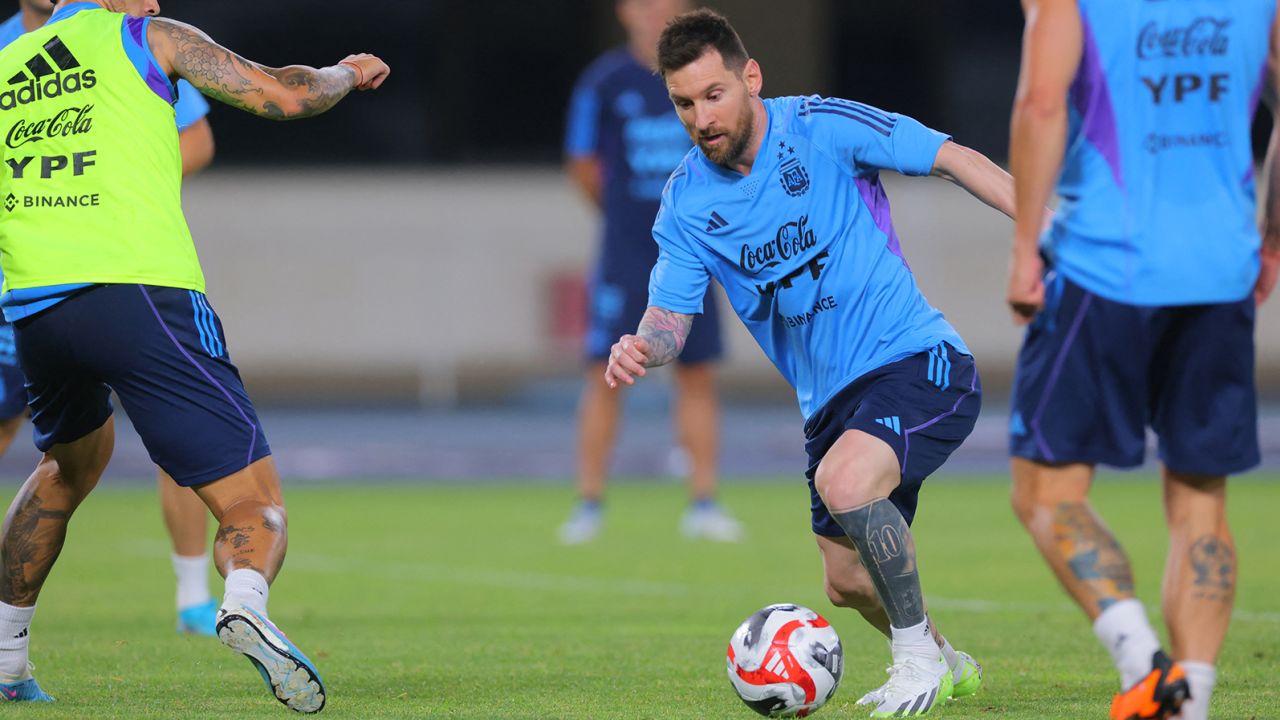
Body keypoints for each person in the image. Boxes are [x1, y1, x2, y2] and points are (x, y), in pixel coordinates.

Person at [605, 9, 1019, 716]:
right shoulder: (686, 202)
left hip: (918, 359)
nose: (700, 116)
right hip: (828, 405)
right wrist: (645, 345)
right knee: (847, 583)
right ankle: (947, 662)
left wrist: (1043, 231)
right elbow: (671, 316)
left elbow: (950, 155)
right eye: (683, 103)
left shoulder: (818, 127)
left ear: (750, 79)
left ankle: (914, 656)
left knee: (846, 480)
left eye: (713, 94)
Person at [0, 0, 389, 711]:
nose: (153, 2)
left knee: (64, 467)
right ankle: (243, 602)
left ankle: (5, 655)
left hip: (33, 307)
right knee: (251, 499)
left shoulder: (8, 65)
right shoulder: (145, 37)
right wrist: (346, 72)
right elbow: (283, 93)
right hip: (138, 292)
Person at [1007, 2, 1276, 719]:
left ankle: (1142, 661)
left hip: (1107, 268)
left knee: (1045, 493)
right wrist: (1271, 237)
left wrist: (1025, 249)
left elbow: (1040, 105)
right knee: (1199, 503)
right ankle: (1192, 700)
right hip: (1220, 273)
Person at [0, 0, 222, 638]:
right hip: (26, 278)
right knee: (39, 445)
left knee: (176, 431)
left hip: (119, 269)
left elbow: (198, 138)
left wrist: (107, 183)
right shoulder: (9, 50)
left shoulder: (126, 36)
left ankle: (191, 597)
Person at [560, 0, 741, 545]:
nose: (654, 11)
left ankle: (704, 501)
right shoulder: (606, 82)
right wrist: (626, 216)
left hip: (693, 252)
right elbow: (583, 163)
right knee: (604, 373)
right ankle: (589, 503)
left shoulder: (702, 80)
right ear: (624, 12)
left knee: (697, 373)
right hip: (626, 254)